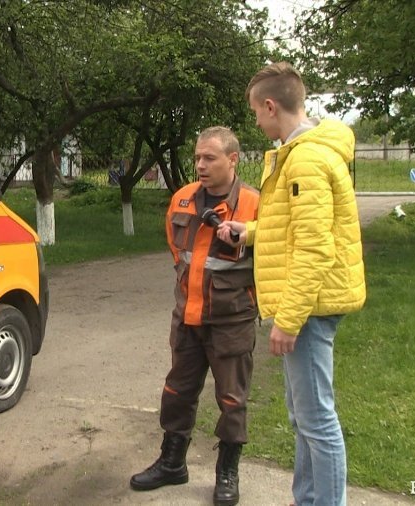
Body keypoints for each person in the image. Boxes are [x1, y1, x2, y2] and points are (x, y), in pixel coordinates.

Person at [218, 62, 366, 506]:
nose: (256, 122)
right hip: (311, 304)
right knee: (303, 416)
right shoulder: (302, 153)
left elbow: (315, 248)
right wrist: (249, 232)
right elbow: (293, 227)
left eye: (255, 113)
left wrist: (289, 319)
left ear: (270, 106)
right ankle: (306, 498)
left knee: (316, 420)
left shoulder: (305, 160)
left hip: (310, 308)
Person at [130, 126, 259, 506]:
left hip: (232, 320)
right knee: (177, 391)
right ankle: (172, 463)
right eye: (197, 157)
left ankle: (227, 473)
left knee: (232, 400)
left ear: (232, 160)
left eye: (209, 158)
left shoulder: (254, 205)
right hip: (187, 316)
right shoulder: (183, 199)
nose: (200, 165)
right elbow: (178, 251)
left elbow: (271, 257)